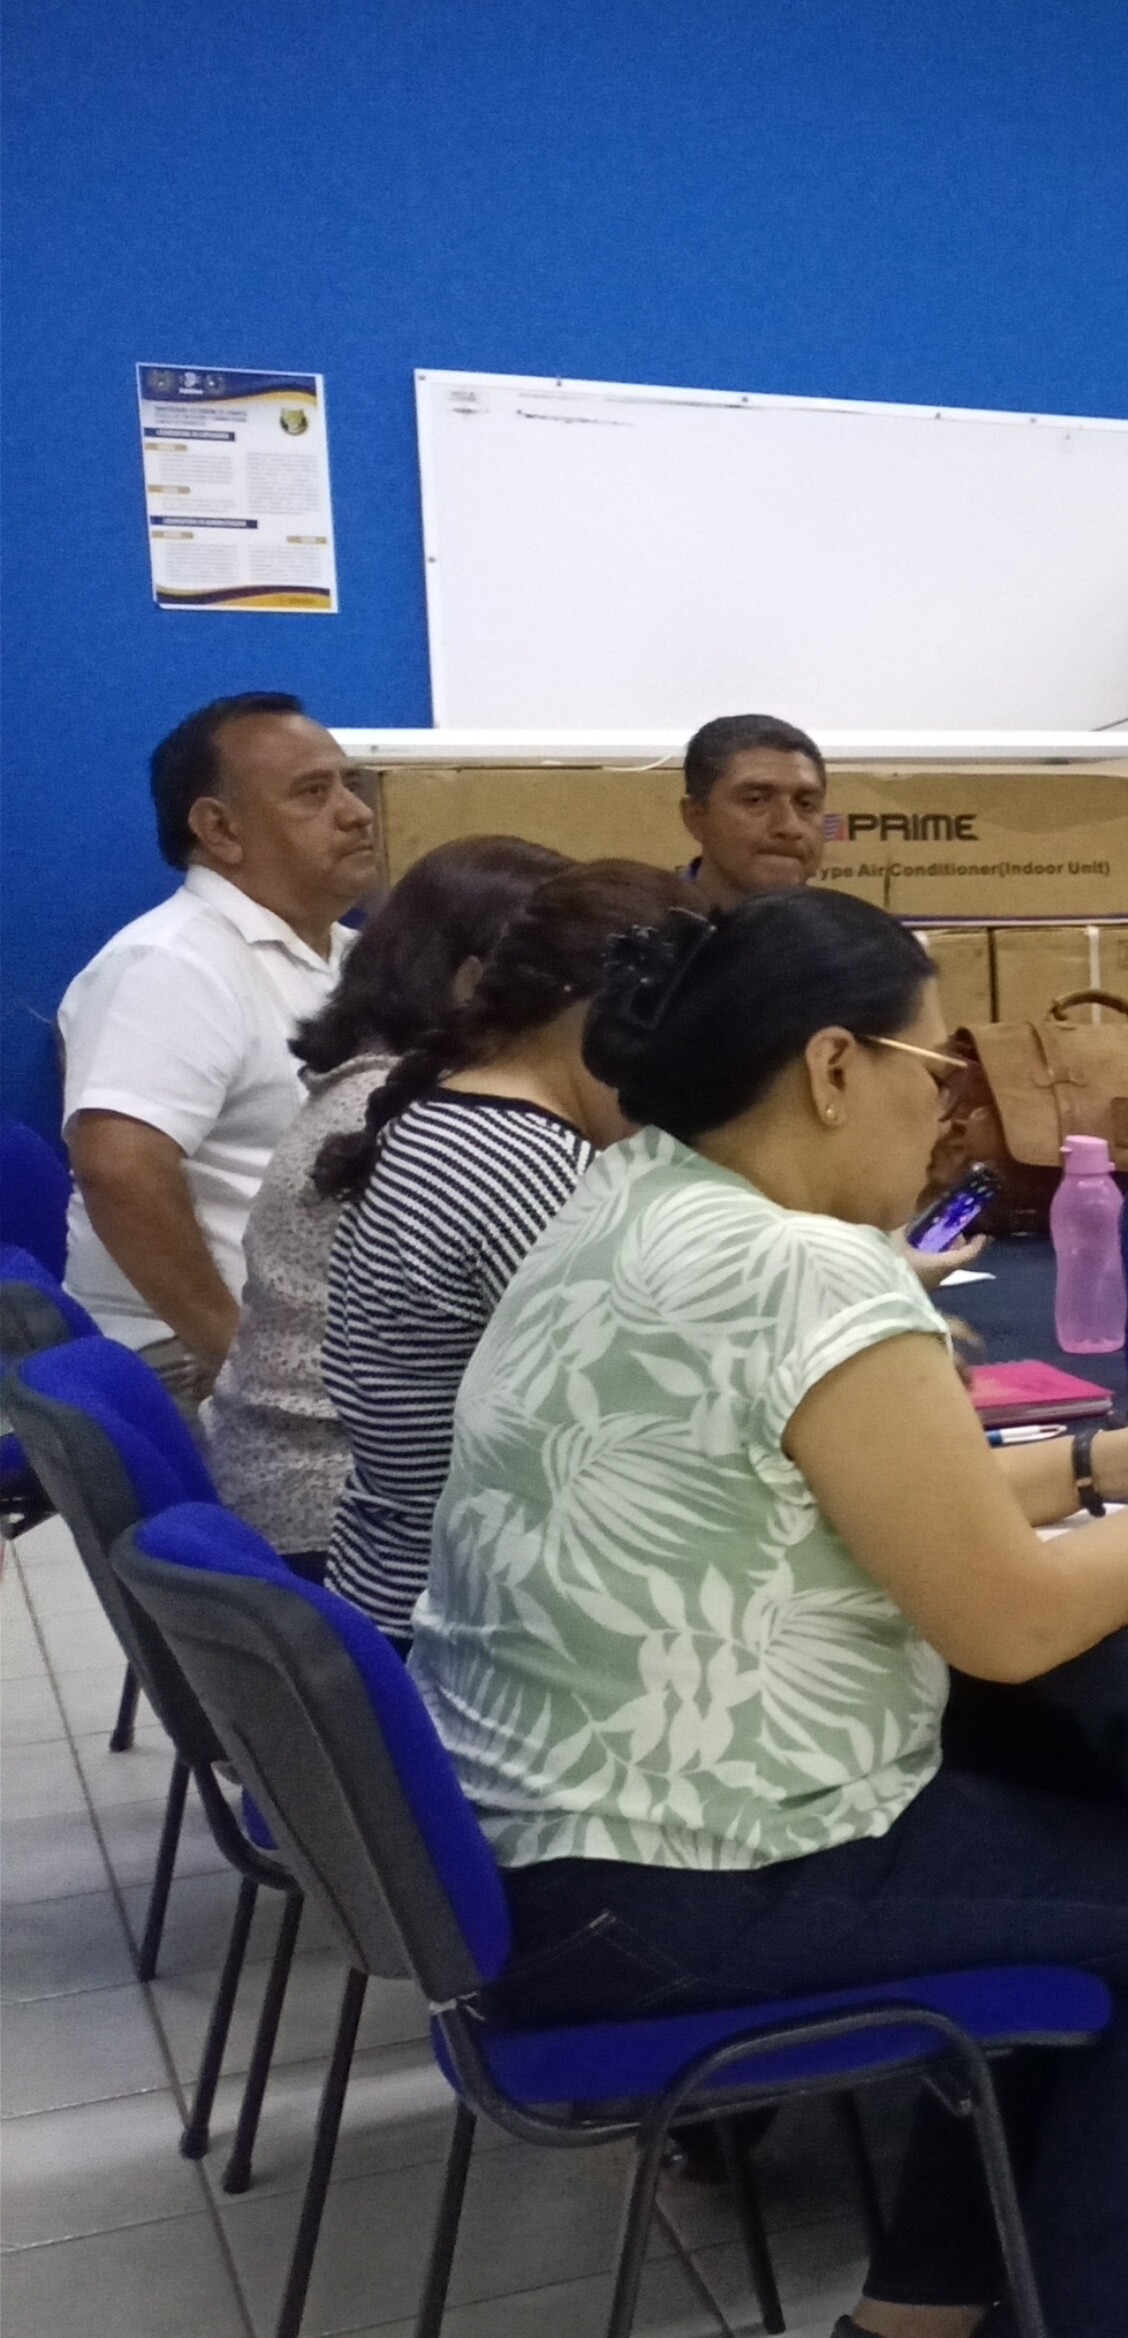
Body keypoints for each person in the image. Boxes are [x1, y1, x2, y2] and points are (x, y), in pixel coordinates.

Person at [415, 888, 1128, 2338]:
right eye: (940, 1073)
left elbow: (829, 1490)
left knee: (1034, 1831)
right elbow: (1014, 1623)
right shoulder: (808, 1271)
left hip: (534, 1858)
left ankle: (913, 2328)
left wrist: (1106, 1463)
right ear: (835, 1065)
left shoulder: (630, 1200)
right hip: (669, 1879)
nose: (955, 1116)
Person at [313, 859, 679, 1635]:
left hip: (395, 1579)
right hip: (472, 1619)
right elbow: (656, 1437)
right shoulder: (533, 1168)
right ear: (599, 1014)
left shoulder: (454, 1114)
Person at [207, 836, 566, 1567]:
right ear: (474, 984)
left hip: (288, 1485)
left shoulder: (372, 1086)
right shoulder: (444, 1128)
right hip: (340, 1517)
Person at [58, 694, 384, 1403]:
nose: (358, 813)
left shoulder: (354, 956)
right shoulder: (170, 964)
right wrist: (240, 1357)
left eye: (351, 785)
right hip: (198, 1359)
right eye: (313, 793)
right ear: (220, 829)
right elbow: (118, 1169)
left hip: (336, 1342)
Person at [679, 713, 830, 906]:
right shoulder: (651, 920)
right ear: (695, 816)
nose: (790, 827)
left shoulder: (849, 924)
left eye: (805, 804)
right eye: (756, 800)